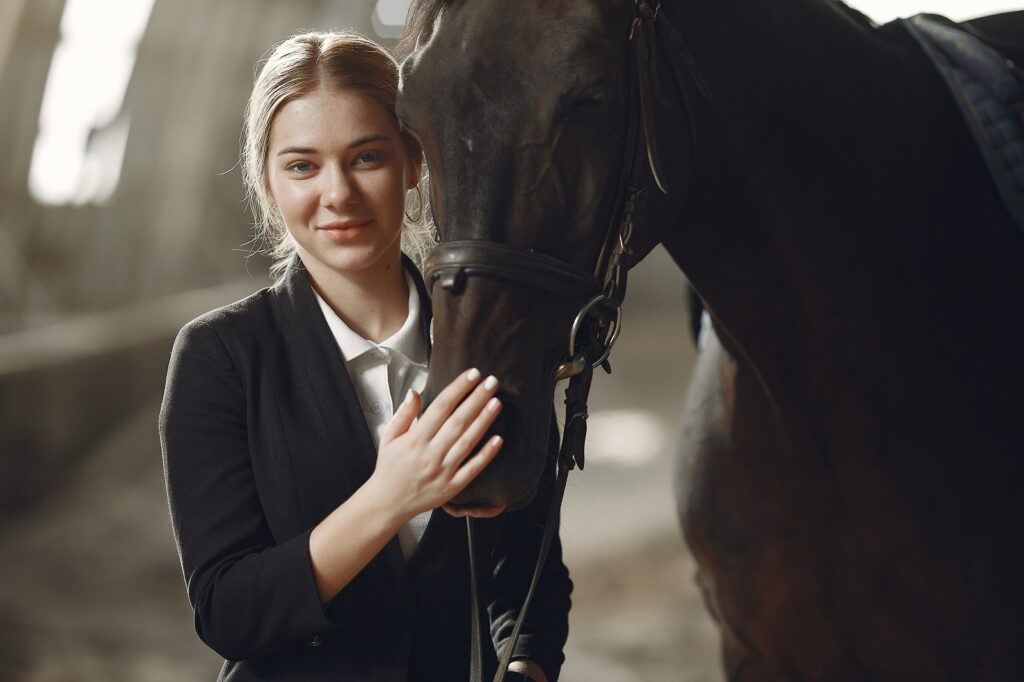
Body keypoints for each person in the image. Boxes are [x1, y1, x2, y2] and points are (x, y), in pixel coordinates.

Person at [158, 31, 571, 681]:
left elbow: (531, 575)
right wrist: (392, 496)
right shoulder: (220, 357)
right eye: (302, 166)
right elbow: (226, 611)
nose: (339, 194)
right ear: (266, 183)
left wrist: (526, 668)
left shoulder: (494, 346)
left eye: (367, 157)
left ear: (414, 163)